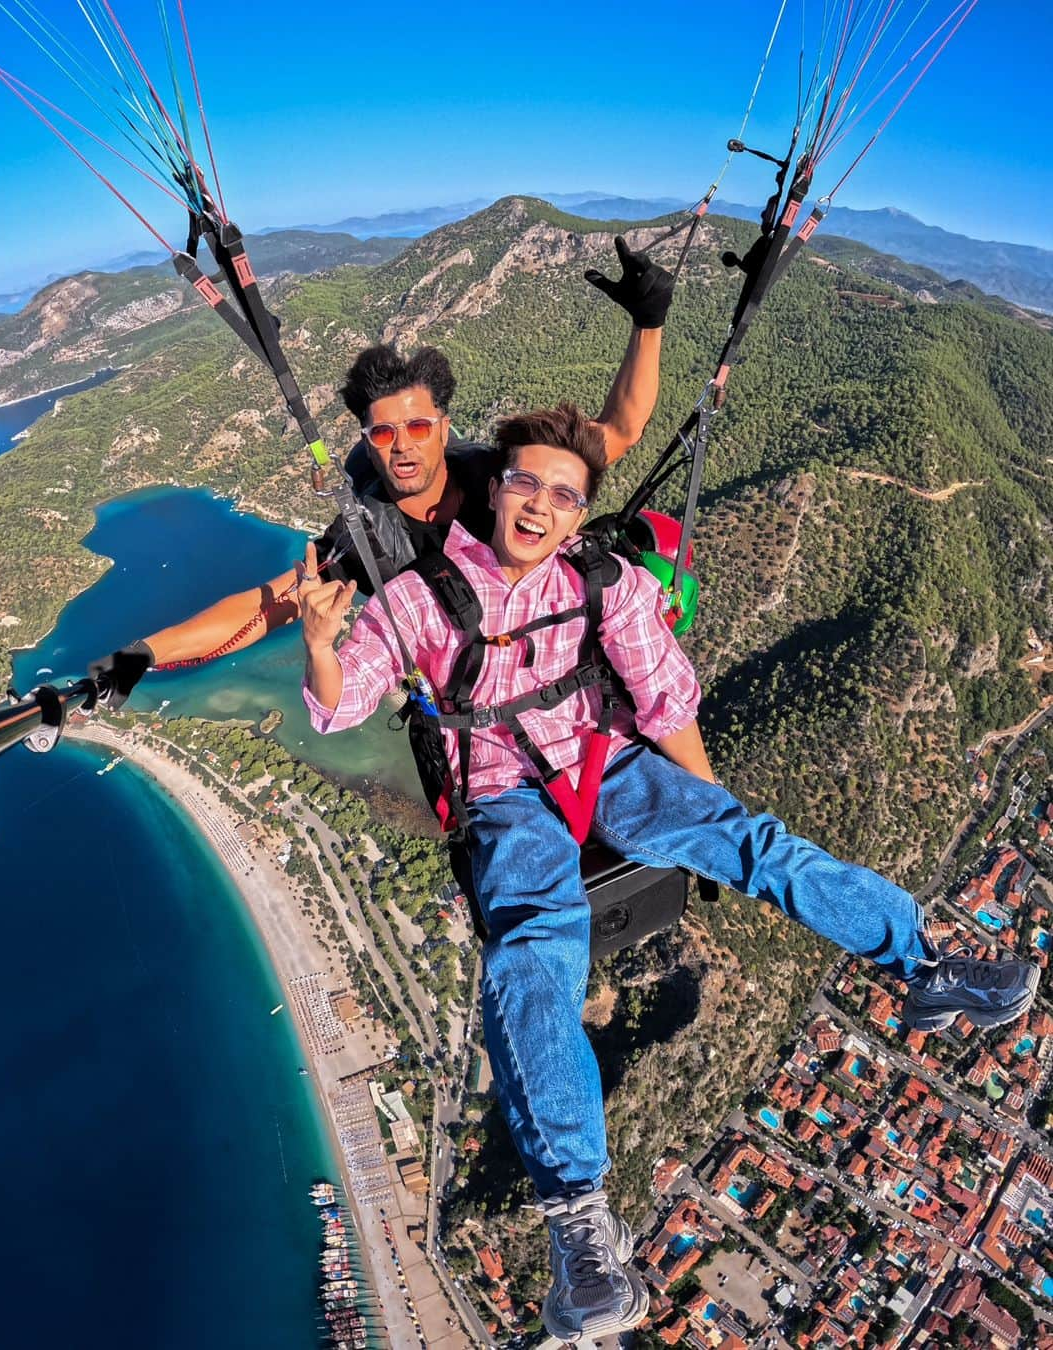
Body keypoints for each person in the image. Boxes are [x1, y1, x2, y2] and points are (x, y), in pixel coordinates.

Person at [296, 403, 1040, 1344]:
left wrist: (711, 822)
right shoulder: (421, 598)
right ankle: (579, 1230)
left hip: (602, 762)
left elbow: (664, 698)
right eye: (525, 482)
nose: (539, 506)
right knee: (535, 947)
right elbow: (342, 702)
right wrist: (322, 644)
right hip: (503, 793)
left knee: (756, 843)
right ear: (496, 491)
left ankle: (921, 970)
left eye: (563, 496)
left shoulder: (603, 584)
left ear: (576, 518)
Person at [90, 237, 675, 704]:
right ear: (368, 445)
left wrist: (648, 323)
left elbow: (617, 431)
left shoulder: (508, 481)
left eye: (419, 427)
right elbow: (265, 605)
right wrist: (144, 653)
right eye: (384, 432)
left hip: (548, 677)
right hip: (474, 701)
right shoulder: (366, 538)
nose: (403, 446)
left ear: (444, 430)